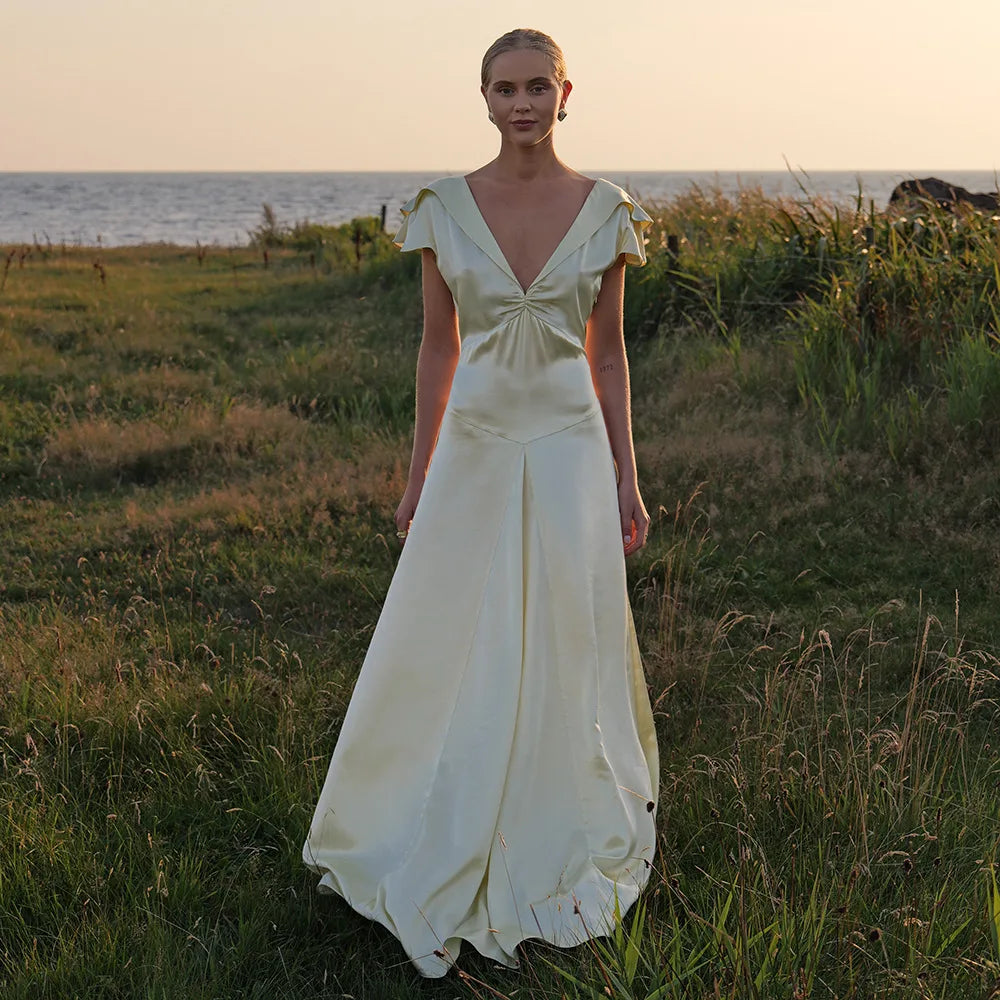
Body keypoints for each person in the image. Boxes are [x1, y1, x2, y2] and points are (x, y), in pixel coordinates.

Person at [302, 27, 660, 979]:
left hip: (572, 449)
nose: (521, 105)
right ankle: (432, 811)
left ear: (566, 92)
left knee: (567, 632)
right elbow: (437, 348)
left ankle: (557, 812)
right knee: (452, 629)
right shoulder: (444, 208)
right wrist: (417, 472)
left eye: (538, 86)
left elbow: (610, 354)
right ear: (485, 98)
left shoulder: (606, 210)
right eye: (504, 89)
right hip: (474, 449)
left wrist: (628, 472)